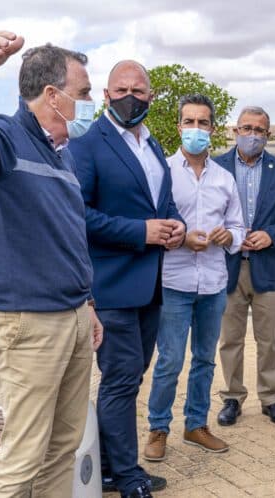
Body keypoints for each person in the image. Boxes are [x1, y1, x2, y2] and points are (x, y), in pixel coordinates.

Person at [0, 33, 103, 497]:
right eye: (86, 90)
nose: (93, 101)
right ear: (54, 94)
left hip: (71, 317)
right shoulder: (4, 137)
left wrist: (86, 301)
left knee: (63, 447)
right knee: (23, 456)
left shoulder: (63, 155)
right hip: (28, 325)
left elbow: (68, 236)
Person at [70, 60, 184, 498]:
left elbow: (162, 201)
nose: (129, 96)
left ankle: (110, 465)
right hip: (112, 285)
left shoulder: (151, 144)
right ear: (105, 94)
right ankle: (126, 474)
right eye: (121, 89)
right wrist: (141, 232)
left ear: (150, 96)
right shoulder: (89, 143)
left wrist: (172, 225)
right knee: (120, 380)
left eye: (138, 89)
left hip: (151, 284)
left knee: (132, 378)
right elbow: (78, 214)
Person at [144, 94, 244, 461]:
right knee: (169, 360)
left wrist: (228, 236)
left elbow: (237, 226)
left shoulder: (224, 178)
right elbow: (154, 225)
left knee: (205, 358)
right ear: (179, 127)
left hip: (214, 283)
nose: (196, 130)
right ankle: (157, 428)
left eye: (203, 123)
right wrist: (181, 237)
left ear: (213, 129)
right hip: (174, 281)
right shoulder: (163, 173)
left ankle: (195, 425)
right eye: (190, 122)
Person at [214, 106, 275, 427]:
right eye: (246, 128)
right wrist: (224, 234)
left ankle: (271, 398)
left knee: (269, 340)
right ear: (235, 131)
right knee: (230, 339)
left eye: (259, 130)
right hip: (228, 267)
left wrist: (272, 235)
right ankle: (232, 398)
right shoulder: (216, 167)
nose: (253, 135)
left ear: (267, 133)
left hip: (267, 266)